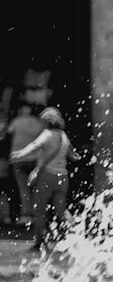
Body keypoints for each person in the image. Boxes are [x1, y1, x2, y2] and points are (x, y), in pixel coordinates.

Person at [10, 105, 70, 252]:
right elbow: (72, 153)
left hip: (47, 176)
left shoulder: (47, 134)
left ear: (46, 122)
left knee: (40, 210)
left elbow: (36, 145)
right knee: (61, 211)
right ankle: (73, 233)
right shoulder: (63, 135)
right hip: (62, 177)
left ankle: (40, 241)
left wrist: (21, 153)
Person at [5, 103, 44, 232]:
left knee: (23, 188)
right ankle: (37, 213)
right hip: (34, 158)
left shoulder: (17, 121)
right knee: (35, 188)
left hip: (19, 158)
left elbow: (7, 134)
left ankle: (26, 215)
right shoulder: (38, 123)